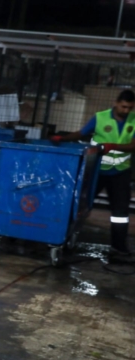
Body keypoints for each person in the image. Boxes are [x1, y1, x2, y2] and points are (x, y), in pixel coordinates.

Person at [52, 89, 135, 262]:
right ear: (116, 103)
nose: (126, 111)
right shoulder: (100, 117)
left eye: (130, 108)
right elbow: (81, 133)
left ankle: (119, 247)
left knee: (120, 213)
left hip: (120, 172)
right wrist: (63, 138)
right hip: (97, 170)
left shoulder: (134, 120)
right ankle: (62, 238)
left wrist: (112, 146)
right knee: (80, 205)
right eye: (123, 107)